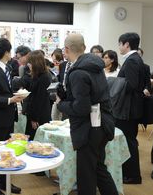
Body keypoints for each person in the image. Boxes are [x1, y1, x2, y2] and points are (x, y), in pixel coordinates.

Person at [57, 34, 118, 195]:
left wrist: (60, 103)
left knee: (86, 174)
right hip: (103, 123)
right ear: (84, 47)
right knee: (98, 168)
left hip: (88, 129)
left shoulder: (78, 72)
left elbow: (81, 108)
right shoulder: (96, 67)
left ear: (67, 49)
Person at [0, 38, 24, 195]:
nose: (12, 54)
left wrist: (15, 96)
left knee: (8, 150)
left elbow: (4, 91)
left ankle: (4, 181)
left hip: (8, 117)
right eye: (10, 51)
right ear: (6, 52)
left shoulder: (6, 68)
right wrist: (10, 100)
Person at [116, 32, 145, 184]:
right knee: (128, 140)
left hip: (128, 108)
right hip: (130, 107)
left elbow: (132, 84)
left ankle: (133, 175)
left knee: (129, 141)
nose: (119, 47)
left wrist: (115, 85)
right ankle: (129, 173)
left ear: (127, 44)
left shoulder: (132, 60)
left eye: (120, 44)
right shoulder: (135, 59)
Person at [24, 50, 51, 140]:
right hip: (34, 114)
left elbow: (38, 100)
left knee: (35, 140)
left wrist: (34, 119)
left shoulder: (43, 77)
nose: (28, 65)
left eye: (30, 63)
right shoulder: (37, 75)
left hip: (39, 116)